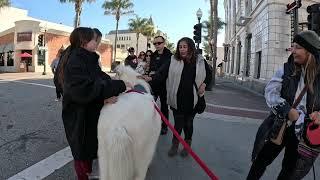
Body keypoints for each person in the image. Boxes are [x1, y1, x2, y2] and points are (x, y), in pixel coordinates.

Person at [57, 27, 131, 180]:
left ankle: (88, 173)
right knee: (81, 151)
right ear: (84, 42)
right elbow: (86, 88)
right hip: (79, 115)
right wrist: (119, 86)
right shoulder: (75, 60)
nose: (96, 42)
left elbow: (100, 78)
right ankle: (83, 176)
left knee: (89, 147)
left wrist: (115, 86)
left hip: (89, 111)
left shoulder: (87, 57)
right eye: (93, 39)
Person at [247, 30, 320, 180]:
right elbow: (270, 92)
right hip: (281, 124)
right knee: (261, 161)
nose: (293, 51)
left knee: (289, 170)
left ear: (310, 51)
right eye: (293, 46)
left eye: (298, 47)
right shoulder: (286, 70)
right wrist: (287, 109)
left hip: (303, 132)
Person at [144, 37, 212, 157]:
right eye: (180, 47)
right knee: (178, 124)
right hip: (177, 99)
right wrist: (150, 78)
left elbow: (209, 74)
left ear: (190, 47)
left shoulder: (200, 60)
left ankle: (187, 146)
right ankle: (174, 145)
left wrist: (205, 84)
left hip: (193, 99)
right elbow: (162, 73)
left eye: (184, 47)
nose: (182, 49)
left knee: (188, 124)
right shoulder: (173, 59)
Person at [149, 35, 172, 135]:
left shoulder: (170, 55)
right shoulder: (153, 55)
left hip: (164, 85)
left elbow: (166, 71)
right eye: (155, 43)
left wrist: (155, 74)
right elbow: (151, 69)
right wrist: (151, 74)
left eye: (159, 43)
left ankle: (164, 126)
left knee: (164, 107)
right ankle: (151, 124)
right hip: (153, 85)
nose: (157, 45)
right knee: (150, 105)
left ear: (164, 43)